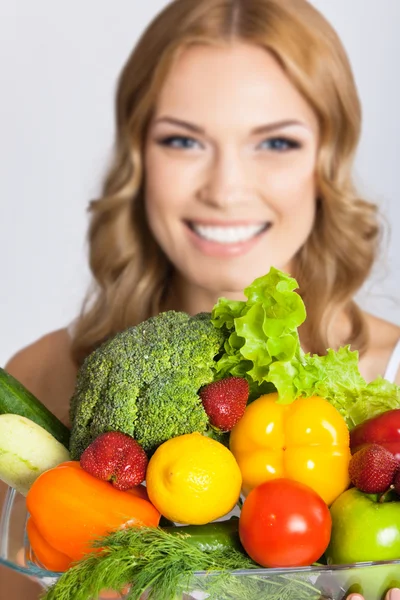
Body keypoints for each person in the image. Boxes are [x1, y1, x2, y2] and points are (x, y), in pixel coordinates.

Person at [1, 0, 399, 599]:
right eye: (184, 140)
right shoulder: (42, 377)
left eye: (276, 143)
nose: (225, 189)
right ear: (137, 159)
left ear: (328, 160)